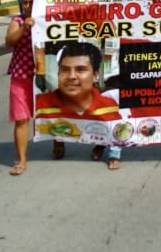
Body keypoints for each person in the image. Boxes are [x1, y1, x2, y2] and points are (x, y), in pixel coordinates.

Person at [35, 41, 124, 170]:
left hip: (104, 54)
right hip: (66, 53)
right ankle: (59, 140)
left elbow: (112, 35)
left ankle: (113, 152)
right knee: (62, 101)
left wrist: (106, 72)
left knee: (109, 107)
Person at [5, 0, 38, 176]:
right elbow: (9, 41)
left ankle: (58, 144)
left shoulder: (49, 20)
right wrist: (25, 27)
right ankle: (21, 159)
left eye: (31, 2)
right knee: (21, 118)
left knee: (50, 114)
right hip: (21, 76)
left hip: (44, 78)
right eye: (24, 2)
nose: (27, 6)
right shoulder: (17, 21)